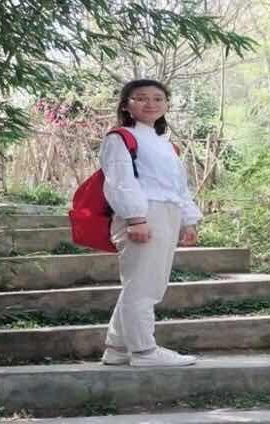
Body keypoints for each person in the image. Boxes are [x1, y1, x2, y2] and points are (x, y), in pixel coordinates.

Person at [99, 79, 203, 367]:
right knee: (144, 287)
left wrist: (188, 220)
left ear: (167, 105)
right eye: (141, 98)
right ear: (126, 105)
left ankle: (117, 348)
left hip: (167, 213)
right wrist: (135, 218)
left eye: (158, 98)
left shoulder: (165, 144)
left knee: (144, 283)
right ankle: (144, 351)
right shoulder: (120, 137)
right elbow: (120, 181)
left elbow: (178, 187)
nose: (151, 103)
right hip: (143, 214)